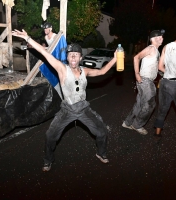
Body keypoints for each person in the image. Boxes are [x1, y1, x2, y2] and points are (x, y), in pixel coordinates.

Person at [12, 29, 117, 172]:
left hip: (84, 109)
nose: (73, 58)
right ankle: (48, 160)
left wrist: (116, 59)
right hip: (67, 110)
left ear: (80, 57)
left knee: (102, 132)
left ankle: (101, 153)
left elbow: (102, 71)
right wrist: (28, 38)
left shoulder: (85, 71)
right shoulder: (62, 69)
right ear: (67, 58)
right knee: (50, 136)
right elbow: (45, 53)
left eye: (76, 55)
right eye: (70, 55)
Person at [122, 30, 164, 135]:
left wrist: (162, 74)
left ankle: (127, 123)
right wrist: (137, 74)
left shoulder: (156, 51)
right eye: (159, 37)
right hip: (146, 81)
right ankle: (137, 125)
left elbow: (154, 67)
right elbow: (136, 57)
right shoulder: (151, 48)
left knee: (140, 104)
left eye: (162, 37)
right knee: (150, 104)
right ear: (153, 39)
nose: (161, 38)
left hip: (144, 81)